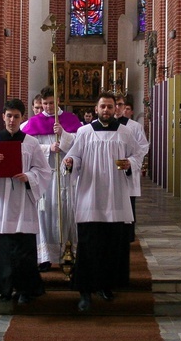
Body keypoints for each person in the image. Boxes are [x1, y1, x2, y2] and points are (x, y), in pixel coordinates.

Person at [0, 99, 52, 304]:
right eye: (8, 116)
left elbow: (43, 171)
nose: (12, 120)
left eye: (16, 116)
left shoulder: (31, 143)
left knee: (22, 249)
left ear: (22, 118)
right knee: (0, 249)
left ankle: (25, 290)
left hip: (21, 201)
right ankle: (3, 288)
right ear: (3, 116)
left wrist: (29, 177)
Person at [64, 92, 142, 311]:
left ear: (114, 109)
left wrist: (130, 164)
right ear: (96, 109)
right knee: (88, 246)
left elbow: (137, 156)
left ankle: (106, 286)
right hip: (90, 195)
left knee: (111, 246)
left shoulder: (125, 133)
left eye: (109, 107)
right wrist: (70, 162)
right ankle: (85, 291)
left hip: (115, 196)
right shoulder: (84, 132)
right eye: (102, 107)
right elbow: (75, 157)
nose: (106, 110)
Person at [22, 86, 83, 272]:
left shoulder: (70, 120)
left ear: (58, 100)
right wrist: (49, 148)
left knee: (66, 211)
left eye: (51, 103)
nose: (48, 107)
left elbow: (79, 145)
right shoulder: (33, 123)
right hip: (45, 174)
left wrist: (63, 134)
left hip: (64, 174)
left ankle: (68, 252)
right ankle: (45, 256)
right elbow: (28, 147)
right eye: (44, 103)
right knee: (44, 213)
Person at [115, 94, 150, 241]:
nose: (117, 108)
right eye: (114, 104)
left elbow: (143, 147)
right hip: (109, 174)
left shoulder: (135, 127)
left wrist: (130, 162)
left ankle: (128, 235)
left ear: (125, 107)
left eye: (120, 105)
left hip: (127, 172)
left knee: (128, 205)